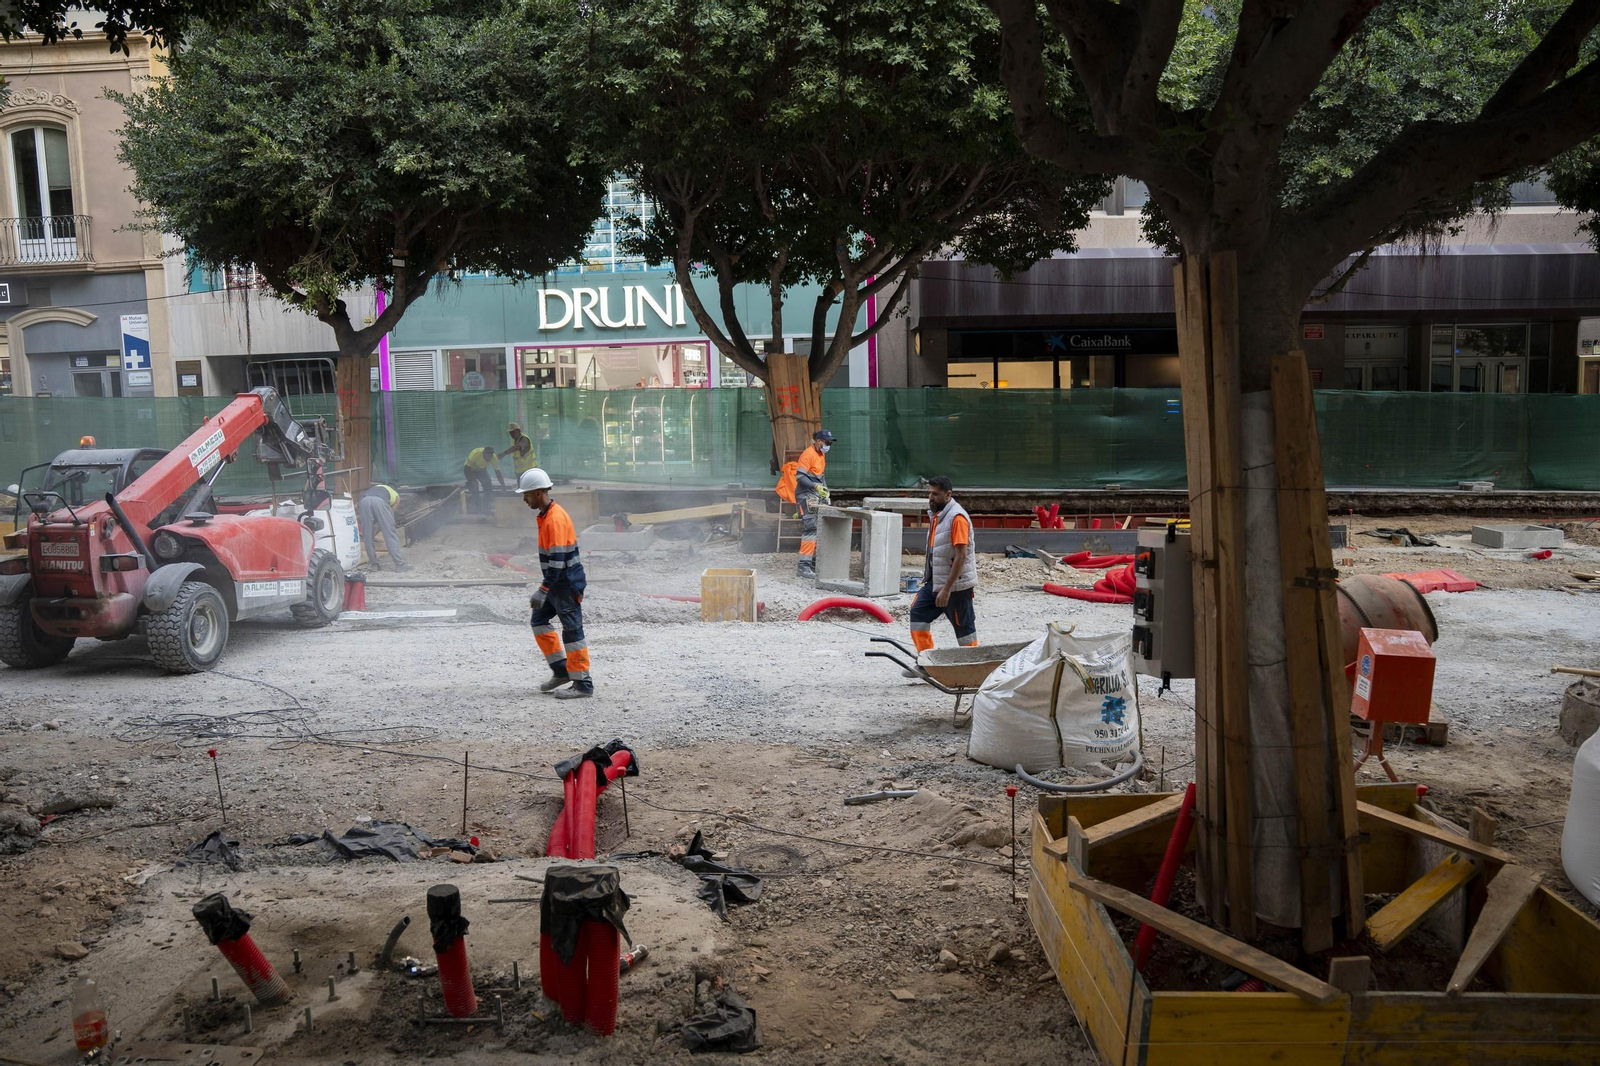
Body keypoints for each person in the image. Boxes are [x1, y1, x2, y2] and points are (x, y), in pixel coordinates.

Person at [520, 467, 592, 699]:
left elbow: (558, 561)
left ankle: (583, 684)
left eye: (527, 494)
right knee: (539, 621)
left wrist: (543, 590)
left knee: (572, 632)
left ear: (539, 493)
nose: (524, 499)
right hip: (557, 583)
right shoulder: (546, 515)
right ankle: (561, 671)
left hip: (566, 583)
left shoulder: (555, 519)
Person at [910, 476, 977, 653]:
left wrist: (946, 589)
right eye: (929, 493)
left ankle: (974, 665)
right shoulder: (937, 516)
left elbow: (961, 557)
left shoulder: (957, 518)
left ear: (948, 495)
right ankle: (926, 661)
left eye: (935, 494)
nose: (931, 497)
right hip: (935, 582)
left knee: (964, 630)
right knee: (918, 614)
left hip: (955, 586)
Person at [776, 428, 836, 578]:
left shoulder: (821, 455)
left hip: (815, 495)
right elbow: (800, 477)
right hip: (806, 496)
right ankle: (803, 568)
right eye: (827, 442)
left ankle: (814, 564)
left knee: (818, 529)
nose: (828, 445)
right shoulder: (808, 455)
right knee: (810, 530)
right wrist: (816, 486)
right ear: (819, 441)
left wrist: (826, 492)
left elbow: (820, 477)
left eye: (830, 443)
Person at [358, 483, 410, 571]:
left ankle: (374, 565)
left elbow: (357, 505)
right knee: (390, 534)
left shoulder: (375, 488)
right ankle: (399, 565)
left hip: (364, 501)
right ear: (394, 489)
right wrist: (389, 523)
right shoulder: (396, 496)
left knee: (367, 536)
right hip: (380, 502)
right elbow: (390, 514)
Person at [463, 445, 500, 515]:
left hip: (481, 470)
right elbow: (466, 468)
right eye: (487, 456)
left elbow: (498, 472)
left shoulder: (494, 458)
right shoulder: (475, 454)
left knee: (488, 484)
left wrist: (503, 486)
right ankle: (477, 507)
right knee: (474, 486)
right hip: (470, 469)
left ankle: (487, 505)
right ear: (483, 453)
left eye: (490, 456)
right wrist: (471, 480)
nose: (489, 458)